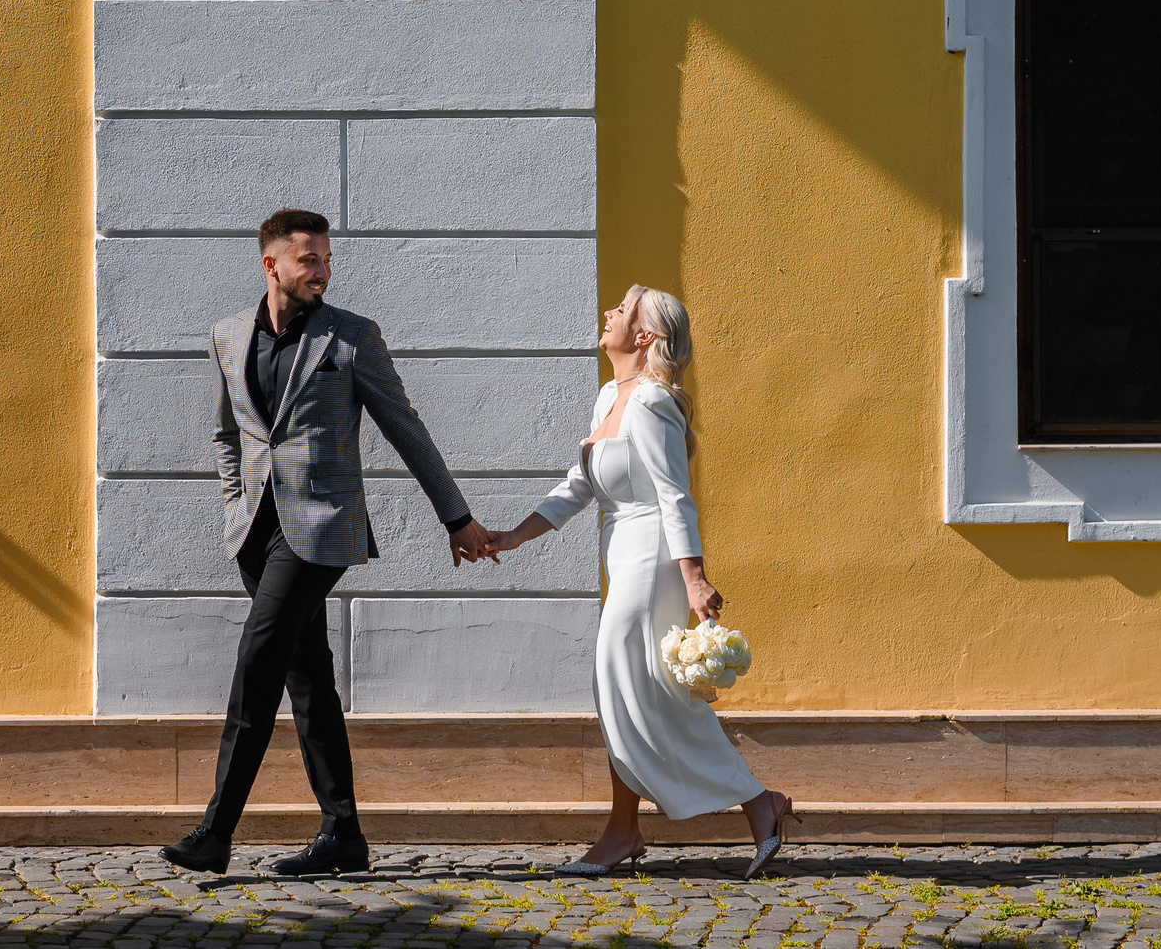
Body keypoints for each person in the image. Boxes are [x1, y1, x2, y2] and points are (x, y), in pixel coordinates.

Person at [159, 209, 498, 879]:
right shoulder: (228, 334)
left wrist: (454, 515)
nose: (322, 269)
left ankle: (214, 831)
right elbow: (228, 432)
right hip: (255, 531)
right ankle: (343, 831)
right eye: (309, 259)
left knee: (258, 661)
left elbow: (406, 425)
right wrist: (235, 503)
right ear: (273, 264)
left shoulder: (351, 337)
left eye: (326, 259)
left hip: (322, 528)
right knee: (305, 674)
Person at [487, 286, 795, 879]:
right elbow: (578, 487)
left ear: (645, 336)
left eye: (623, 310)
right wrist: (509, 538)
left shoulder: (653, 401)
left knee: (630, 687)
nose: (609, 313)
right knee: (628, 692)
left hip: (653, 556)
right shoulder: (611, 394)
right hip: (622, 553)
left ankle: (752, 801)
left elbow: (675, 496)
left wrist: (696, 578)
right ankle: (632, 827)